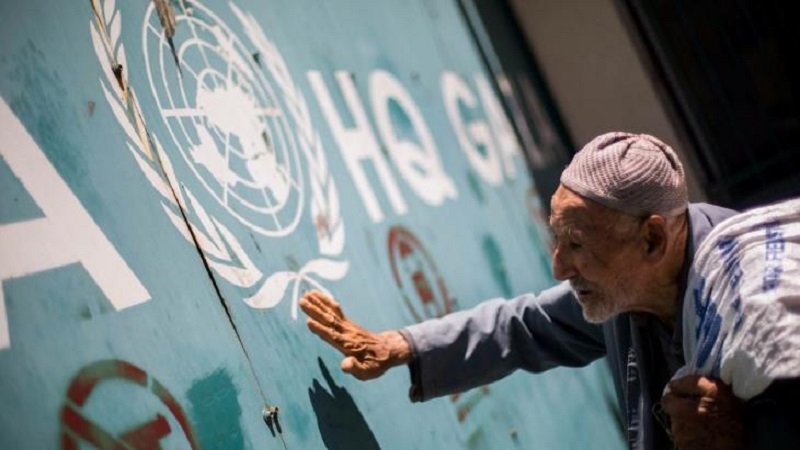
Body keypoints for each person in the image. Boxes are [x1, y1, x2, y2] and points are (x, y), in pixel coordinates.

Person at [299, 132, 798, 449]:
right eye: (556, 239)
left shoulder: (755, 304)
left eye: (576, 244)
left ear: (652, 239)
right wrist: (402, 346)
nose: (559, 268)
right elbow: (526, 327)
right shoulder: (633, 282)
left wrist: (740, 434)